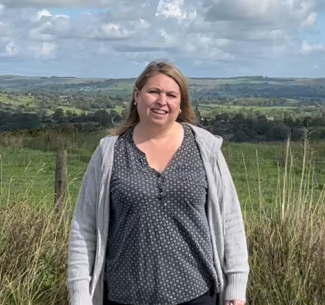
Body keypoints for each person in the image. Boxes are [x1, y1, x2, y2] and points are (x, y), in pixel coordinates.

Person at [67, 61, 249, 305]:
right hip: (125, 296)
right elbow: (84, 226)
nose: (162, 101)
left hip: (197, 293)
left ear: (180, 103)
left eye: (172, 95)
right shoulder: (110, 152)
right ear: (136, 96)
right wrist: (80, 295)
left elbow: (230, 219)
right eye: (154, 92)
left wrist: (236, 287)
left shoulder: (204, 147)